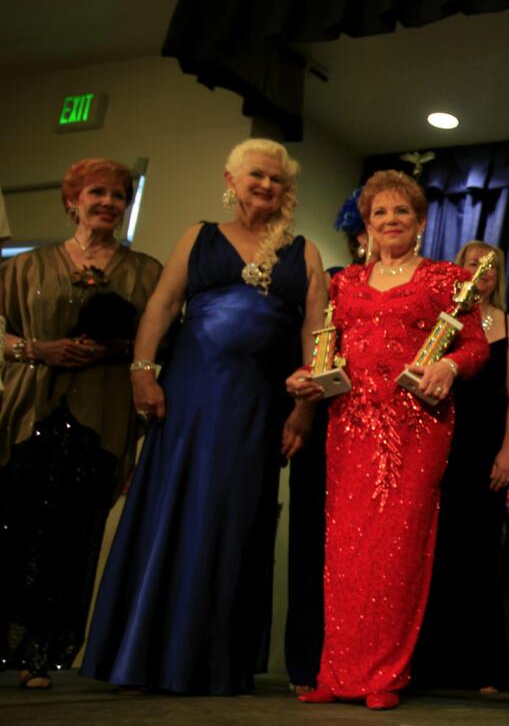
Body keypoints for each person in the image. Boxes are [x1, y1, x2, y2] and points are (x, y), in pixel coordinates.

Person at [82, 139, 326, 694]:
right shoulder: (199, 236)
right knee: (175, 507)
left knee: (236, 518)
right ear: (232, 179)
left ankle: (215, 660)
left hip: (260, 406)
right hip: (189, 396)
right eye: (256, 176)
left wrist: (303, 411)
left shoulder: (304, 251)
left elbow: (317, 335)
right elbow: (163, 306)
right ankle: (149, 652)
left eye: (276, 180)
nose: (265, 186)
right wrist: (143, 372)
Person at [289, 170, 488, 711]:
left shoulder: (444, 279)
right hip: (350, 424)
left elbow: (476, 346)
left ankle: (383, 676)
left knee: (397, 551)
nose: (391, 220)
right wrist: (310, 377)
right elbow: (332, 350)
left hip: (414, 428)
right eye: (380, 213)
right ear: (367, 225)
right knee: (345, 549)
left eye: (401, 212)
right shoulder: (344, 283)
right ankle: (336, 672)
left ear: (420, 222)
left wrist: (449, 364)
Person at [0, 158, 161, 689]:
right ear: (72, 200)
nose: (108, 203)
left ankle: (42, 654)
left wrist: (112, 348)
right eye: (98, 193)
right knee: (12, 524)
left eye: (119, 196)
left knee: (75, 533)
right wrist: (37, 348)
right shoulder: (25, 267)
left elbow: (158, 346)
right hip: (30, 413)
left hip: (103, 415)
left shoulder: (145, 272)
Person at [412, 240, 509, 692]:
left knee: (479, 557)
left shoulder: (507, 325)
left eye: (491, 267)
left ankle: (481, 668)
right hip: (436, 447)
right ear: (453, 270)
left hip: (484, 454)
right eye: (472, 265)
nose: (481, 273)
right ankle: (426, 666)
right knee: (432, 554)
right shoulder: (439, 322)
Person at [284, 189, 368, 694]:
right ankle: (308, 664)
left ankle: (362, 666)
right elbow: (315, 354)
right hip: (328, 427)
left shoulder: (421, 285)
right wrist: (303, 409)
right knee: (313, 547)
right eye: (365, 224)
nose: (374, 234)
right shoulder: (332, 283)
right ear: (355, 233)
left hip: (384, 438)